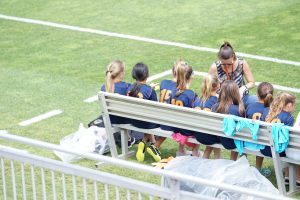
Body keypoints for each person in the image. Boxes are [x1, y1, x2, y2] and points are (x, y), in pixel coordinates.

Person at [146, 59, 182, 162]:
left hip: (160, 118)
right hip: (169, 122)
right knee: (180, 121)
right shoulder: (179, 89)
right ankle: (181, 150)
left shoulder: (163, 83)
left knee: (170, 118)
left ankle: (155, 145)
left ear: (172, 72)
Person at [260, 92, 297, 184]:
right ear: (289, 105)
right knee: (288, 147)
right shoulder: (289, 118)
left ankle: (287, 176)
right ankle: (288, 177)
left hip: (264, 148)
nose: (294, 108)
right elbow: (285, 138)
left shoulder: (266, 111)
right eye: (294, 105)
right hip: (277, 150)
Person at [127, 62, 159, 162]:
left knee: (145, 116)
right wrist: (151, 89)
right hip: (146, 123)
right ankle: (151, 144)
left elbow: (139, 92)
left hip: (132, 121)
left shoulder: (129, 88)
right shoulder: (149, 90)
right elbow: (156, 108)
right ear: (147, 75)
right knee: (149, 117)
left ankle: (144, 142)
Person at [100, 60, 135, 147]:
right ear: (121, 73)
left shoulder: (103, 87)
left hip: (110, 119)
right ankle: (130, 139)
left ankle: (128, 139)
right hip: (124, 119)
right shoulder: (127, 86)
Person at [170, 63, 200, 157]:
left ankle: (181, 150)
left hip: (175, 127)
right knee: (199, 124)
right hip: (186, 130)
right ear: (190, 77)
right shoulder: (192, 95)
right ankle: (195, 152)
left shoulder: (173, 92)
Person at [245, 82, 274, 177]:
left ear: (257, 95)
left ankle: (242, 166)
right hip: (262, 143)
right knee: (262, 137)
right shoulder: (272, 111)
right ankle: (258, 168)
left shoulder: (249, 106)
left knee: (257, 135)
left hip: (247, 141)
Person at [212, 80, 245, 161]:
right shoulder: (239, 109)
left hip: (218, 138)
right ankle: (233, 160)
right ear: (236, 93)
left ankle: (218, 159)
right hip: (232, 142)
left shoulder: (215, 107)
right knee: (238, 136)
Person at [193, 74, 221, 159]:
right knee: (215, 131)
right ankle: (217, 159)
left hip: (198, 134)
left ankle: (205, 157)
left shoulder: (198, 99)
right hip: (210, 135)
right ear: (217, 86)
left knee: (210, 130)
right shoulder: (217, 100)